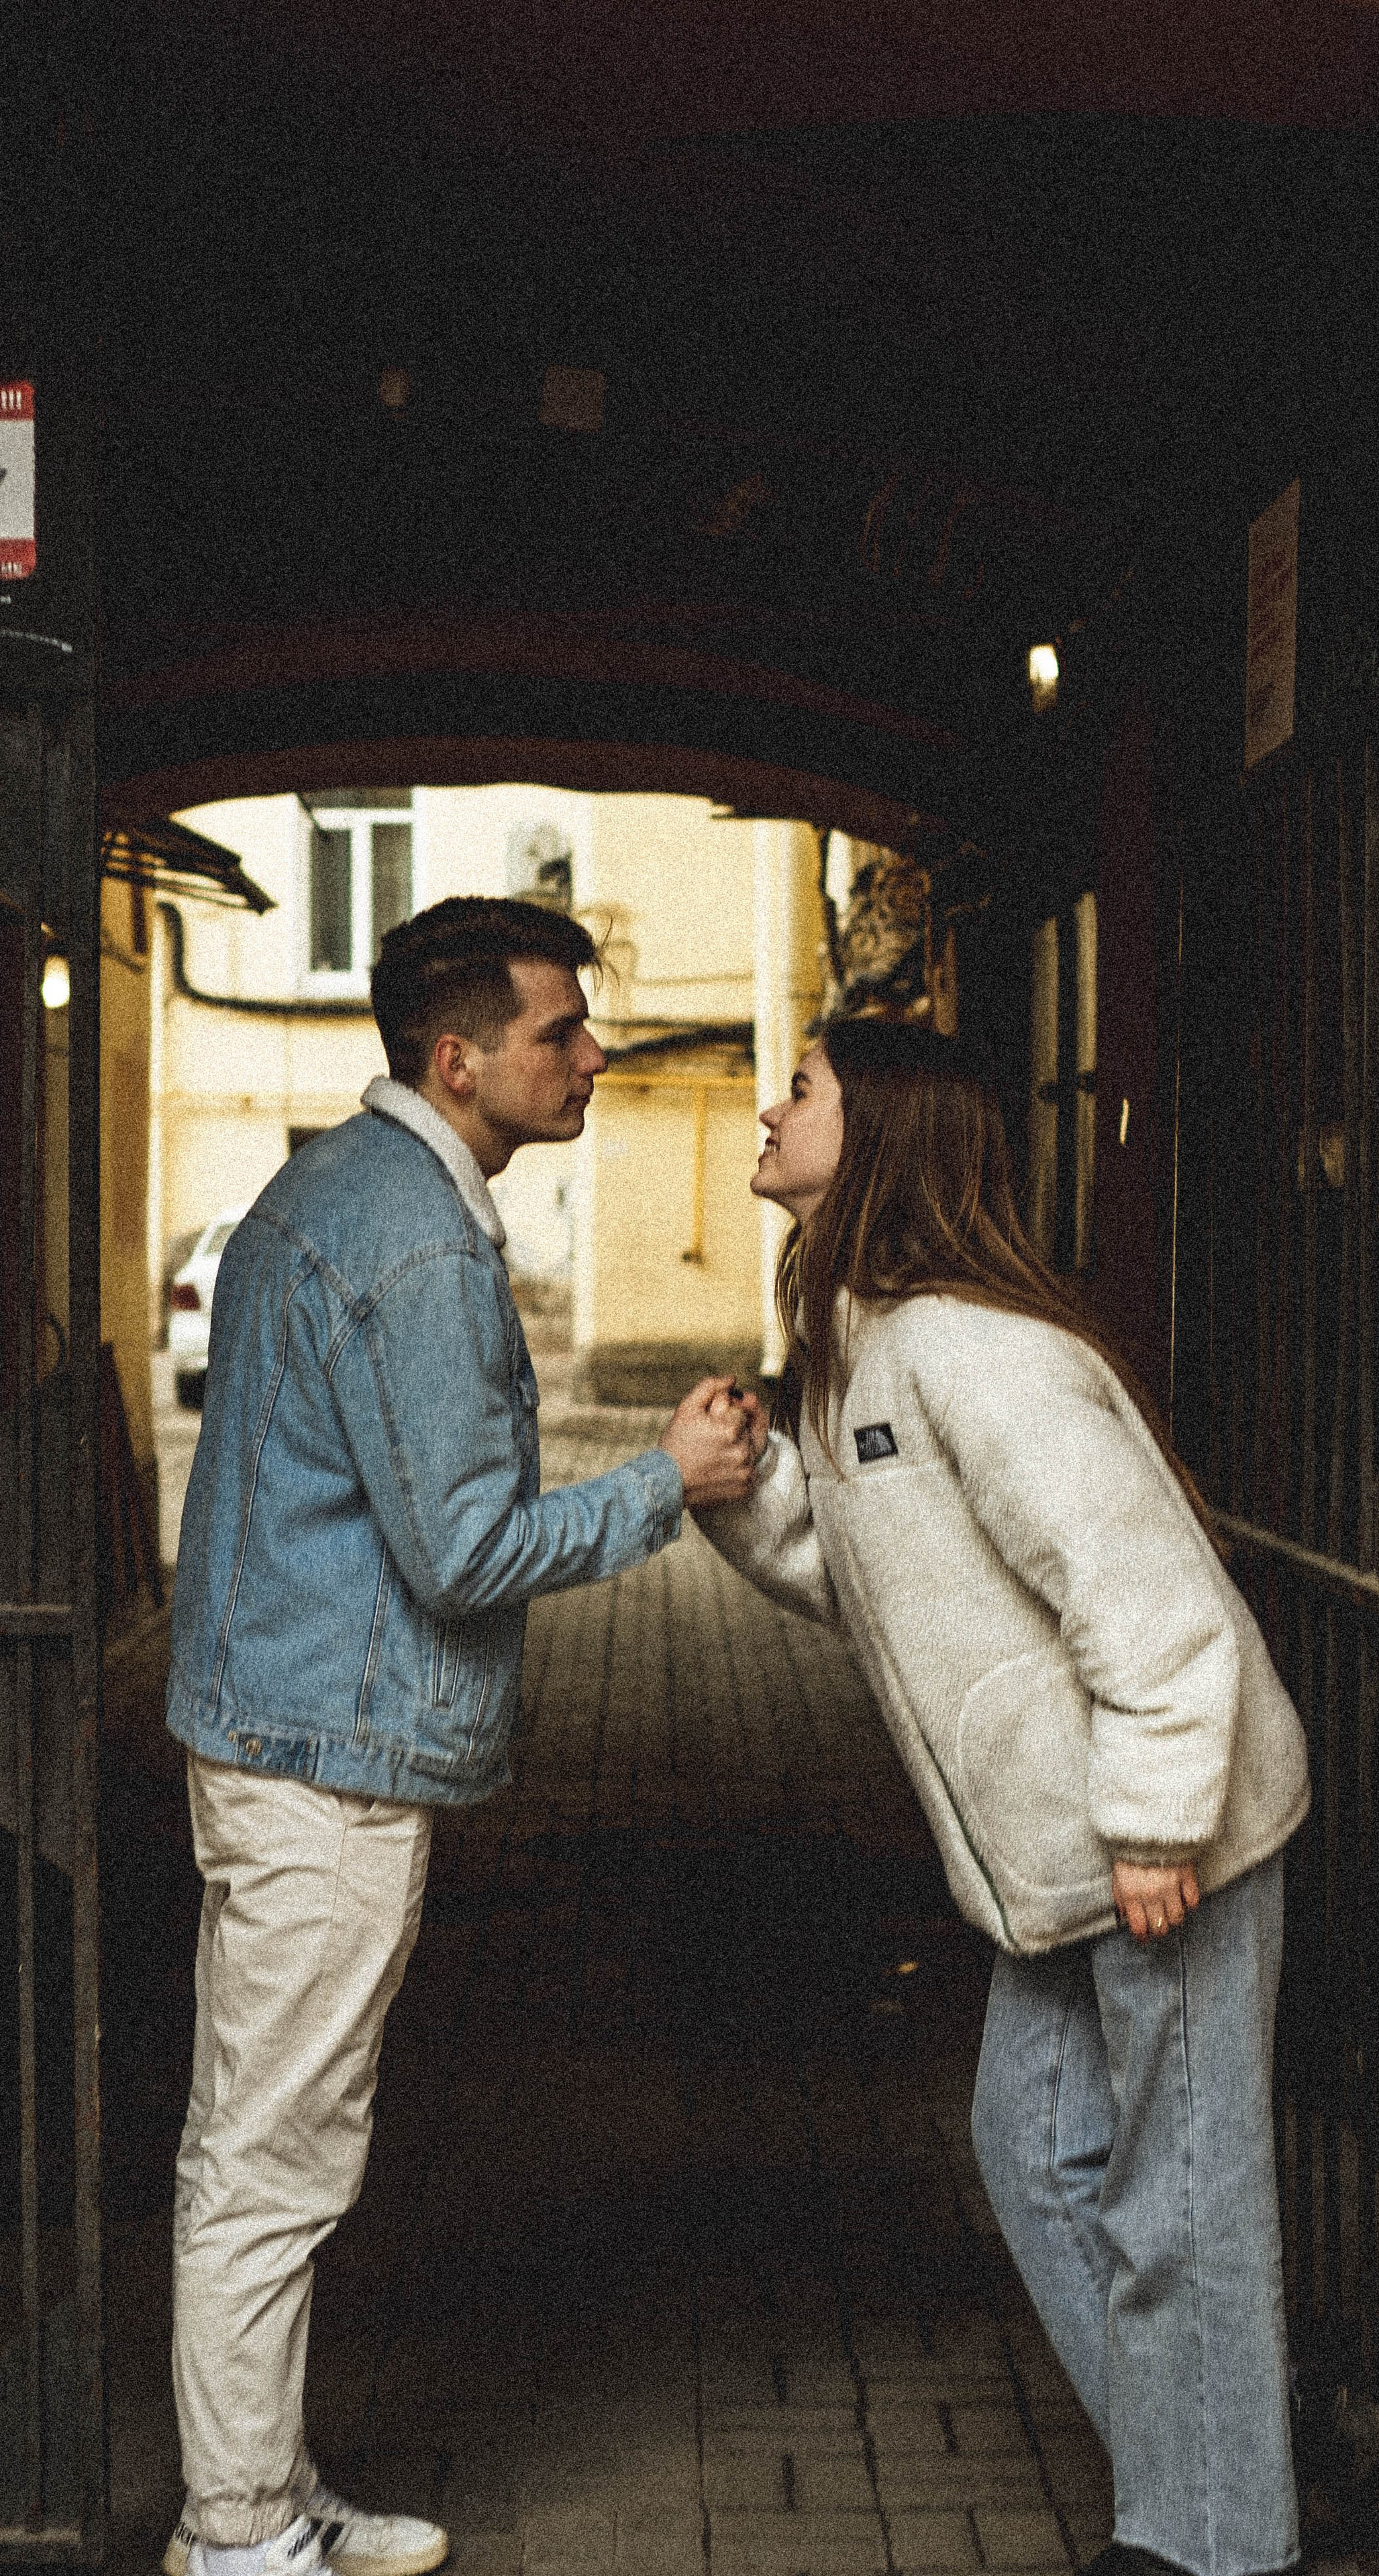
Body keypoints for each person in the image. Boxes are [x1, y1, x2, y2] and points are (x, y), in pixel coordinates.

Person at [163, 896, 760, 2576]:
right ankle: (232, 2536)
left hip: (276, 1731)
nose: (592, 1056)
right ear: (458, 1057)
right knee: (272, 2164)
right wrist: (669, 1485)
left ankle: (259, 2497)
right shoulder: (417, 1240)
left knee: (263, 2143)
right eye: (558, 1032)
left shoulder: (331, 1189)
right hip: (323, 1768)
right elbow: (467, 1550)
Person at [695, 1018, 1310, 2576]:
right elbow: (867, 1585)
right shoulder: (861, 1347)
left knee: (1181, 2200)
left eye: (807, 1088)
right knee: (1035, 2157)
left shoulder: (973, 1347)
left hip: (1159, 1840)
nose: (771, 1109)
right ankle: (1209, 2487)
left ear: (884, 1128)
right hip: (1053, 1867)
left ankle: (1211, 2541)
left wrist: (1160, 1816)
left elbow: (1144, 1591)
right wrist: (744, 1496)